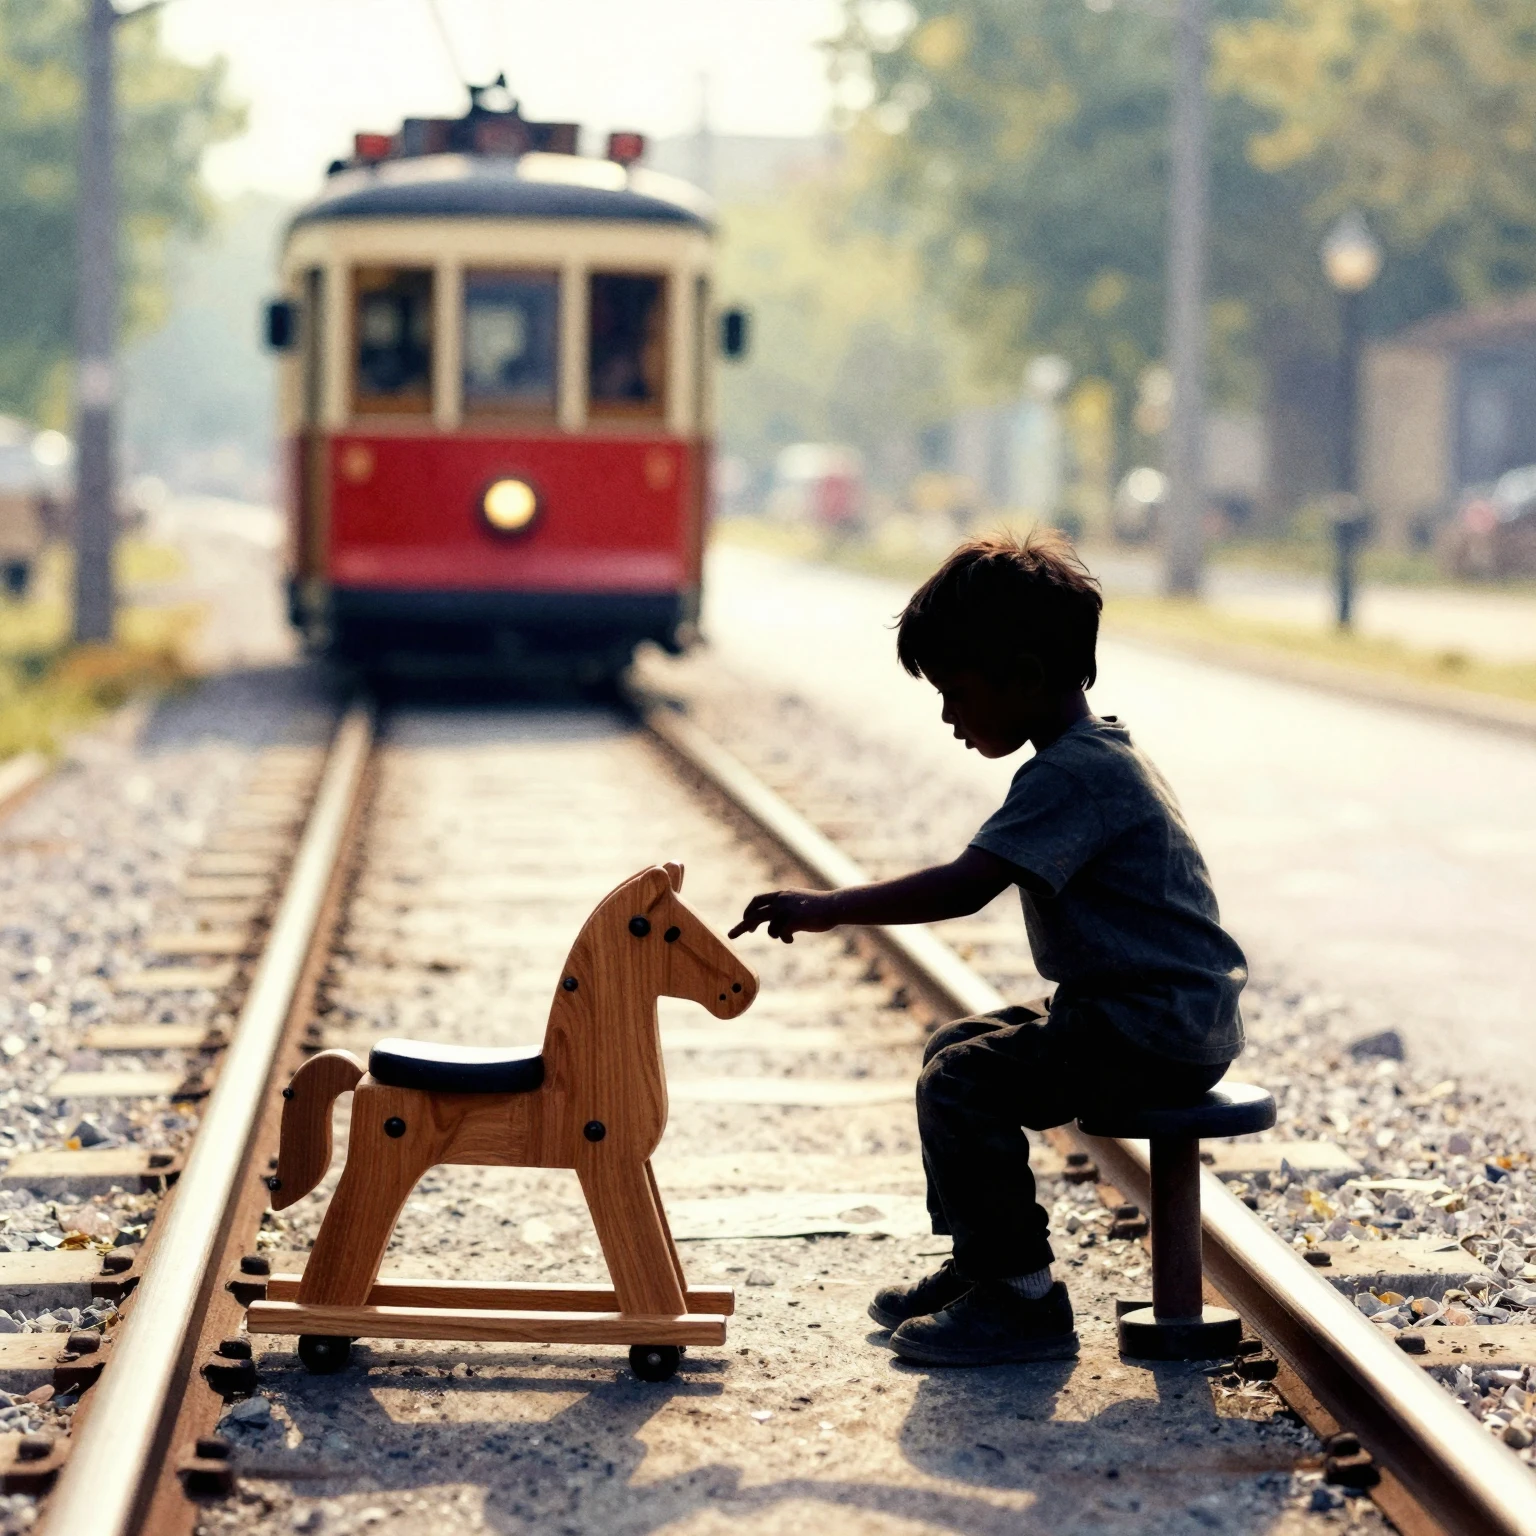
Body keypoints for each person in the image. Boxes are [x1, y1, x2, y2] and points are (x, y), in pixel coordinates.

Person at [730, 531, 1247, 1367]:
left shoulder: (1071, 774)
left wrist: (827, 907)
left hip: (1148, 1029)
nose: (947, 715)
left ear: (1027, 678)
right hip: (1149, 1014)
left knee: (962, 1082)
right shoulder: (1092, 755)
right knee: (956, 1046)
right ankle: (985, 1261)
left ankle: (1020, 1297)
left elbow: (963, 887)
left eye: (956, 692)